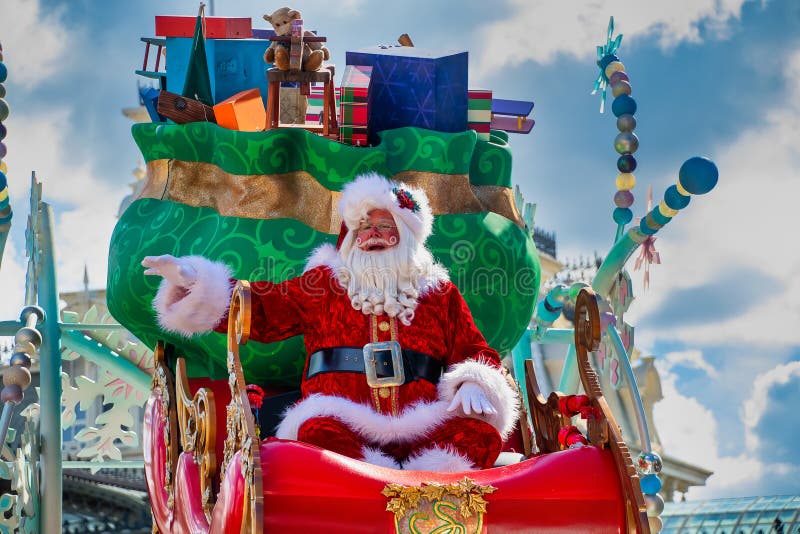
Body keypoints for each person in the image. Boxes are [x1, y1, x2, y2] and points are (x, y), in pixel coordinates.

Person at [142, 173, 519, 472]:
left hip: (424, 424)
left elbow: (474, 349)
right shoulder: (324, 284)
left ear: (405, 235)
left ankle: (423, 489)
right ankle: (373, 484)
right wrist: (195, 282)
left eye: (384, 226)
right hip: (343, 420)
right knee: (316, 433)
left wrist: (475, 380)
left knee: (478, 435)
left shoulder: (439, 293)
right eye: (363, 228)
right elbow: (267, 307)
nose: (372, 235)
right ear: (350, 239)